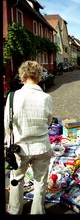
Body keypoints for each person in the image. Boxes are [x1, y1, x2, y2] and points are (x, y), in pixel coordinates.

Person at [4, 60, 53, 214]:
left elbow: (7, 125)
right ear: (39, 76)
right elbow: (49, 121)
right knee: (40, 182)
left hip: (19, 147)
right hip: (41, 147)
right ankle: (37, 211)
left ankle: (14, 210)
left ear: (22, 76)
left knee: (16, 179)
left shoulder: (13, 97)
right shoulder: (46, 98)